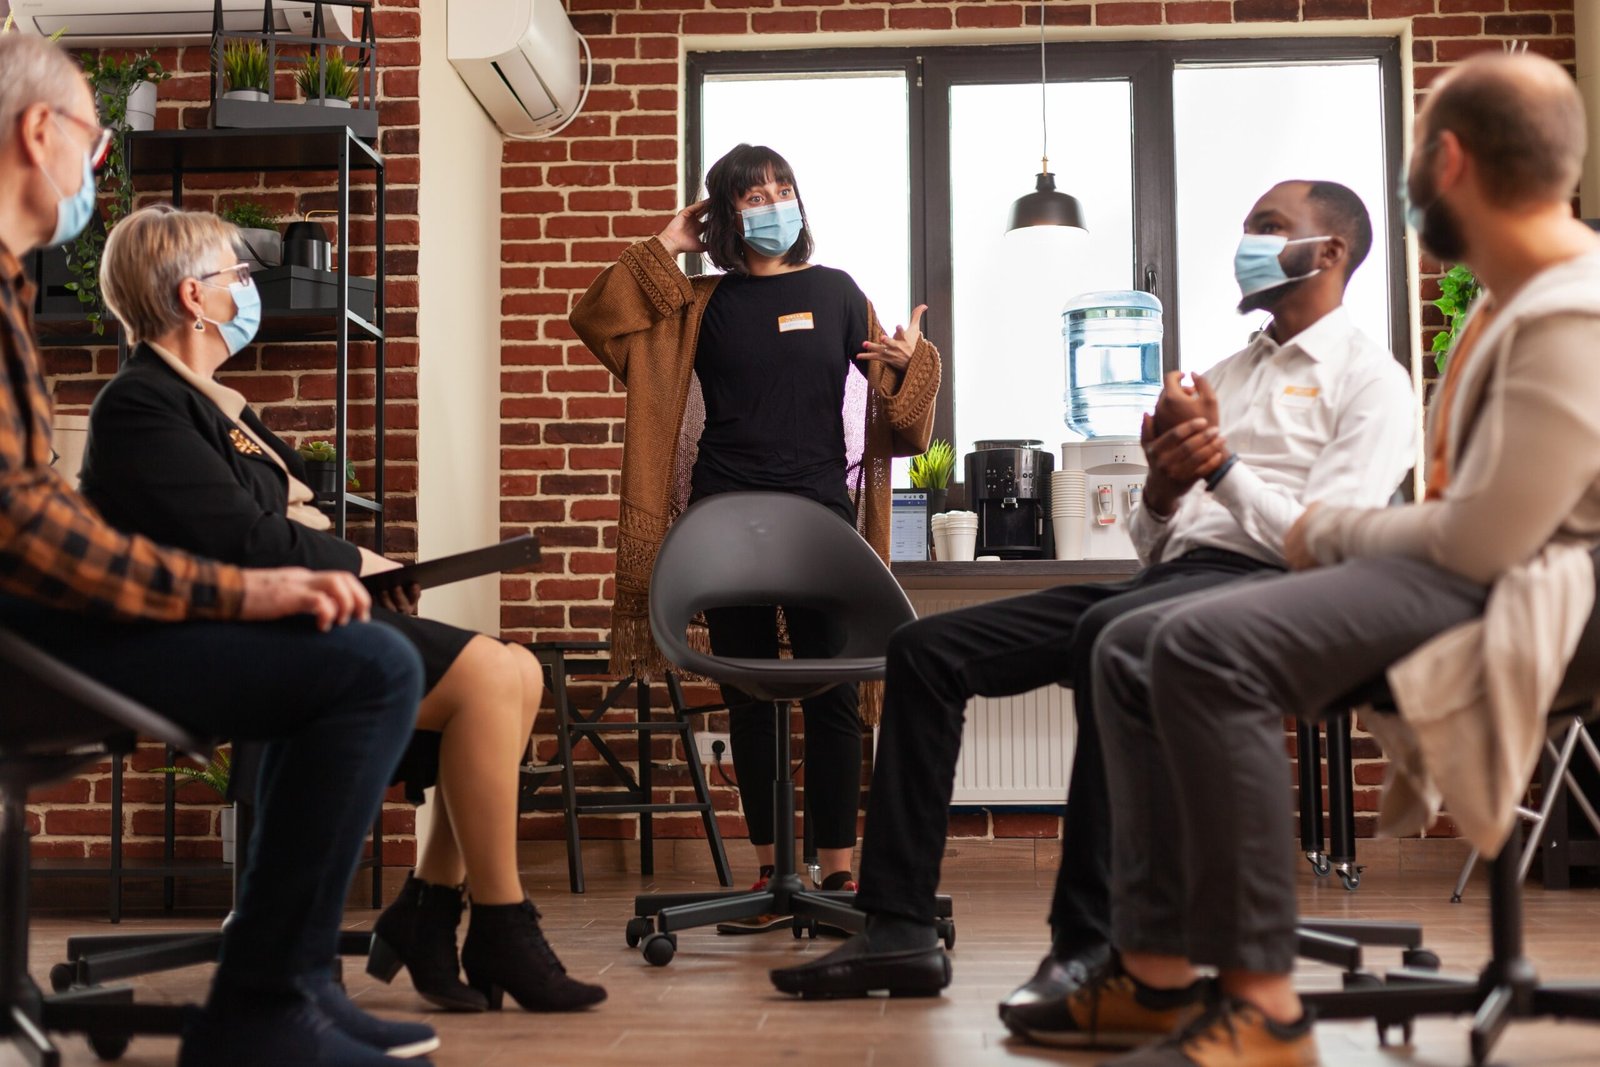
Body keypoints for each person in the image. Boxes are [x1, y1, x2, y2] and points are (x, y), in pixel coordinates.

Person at [769, 178, 1416, 1009]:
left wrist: (1219, 466)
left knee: (1118, 637)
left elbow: (1330, 546)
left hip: (1279, 597)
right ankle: (898, 931)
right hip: (1170, 581)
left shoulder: (1372, 382)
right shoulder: (1224, 373)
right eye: (1249, 224)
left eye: (1269, 226)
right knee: (923, 650)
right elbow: (1154, 543)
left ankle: (1091, 948)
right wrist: (1163, 489)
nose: (1248, 240)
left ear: (1329, 252)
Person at [1088, 51, 1600, 1067]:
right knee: (1130, 641)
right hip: (1464, 570)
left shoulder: (1567, 311)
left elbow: (1482, 539)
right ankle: (1152, 975)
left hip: (1543, 593)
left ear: (1444, 160)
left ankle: (1266, 1011)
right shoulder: (1506, 304)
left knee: (1196, 647)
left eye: (1414, 161)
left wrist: (1326, 530)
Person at [0, 33, 434, 1067]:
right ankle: (265, 1005)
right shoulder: (133, 395)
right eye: (96, 145)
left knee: (340, 644)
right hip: (21, 633)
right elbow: (18, 519)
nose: (94, 171)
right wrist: (228, 592)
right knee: (370, 663)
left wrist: (253, 587)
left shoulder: (13, 294)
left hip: (34, 616)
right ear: (38, 132)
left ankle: (289, 991)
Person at [76, 204, 606, 1016]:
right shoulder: (142, 405)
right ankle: (498, 922)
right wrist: (359, 561)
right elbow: (248, 540)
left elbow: (299, 510)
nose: (249, 291)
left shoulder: (224, 407)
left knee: (520, 669)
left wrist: (346, 556)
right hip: (224, 630)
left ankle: (431, 906)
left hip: (288, 607)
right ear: (192, 297)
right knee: (494, 678)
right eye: (238, 276)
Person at [570, 143, 940, 915]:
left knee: (833, 692)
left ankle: (836, 871)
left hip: (820, 522)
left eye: (782, 187)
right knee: (749, 694)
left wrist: (914, 364)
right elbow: (596, 320)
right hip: (723, 523)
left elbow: (901, 426)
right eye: (752, 194)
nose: (773, 202)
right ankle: (770, 871)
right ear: (724, 214)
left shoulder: (838, 294)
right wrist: (666, 245)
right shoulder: (697, 303)